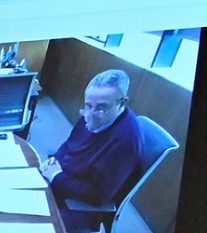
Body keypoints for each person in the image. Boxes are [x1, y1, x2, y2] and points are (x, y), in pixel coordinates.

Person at [43, 70, 143, 216]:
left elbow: (99, 196)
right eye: (88, 105)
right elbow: (69, 144)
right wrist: (55, 160)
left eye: (101, 107)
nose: (90, 114)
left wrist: (56, 177)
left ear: (122, 103)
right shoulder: (92, 114)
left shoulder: (126, 141)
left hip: (78, 205)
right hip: (63, 180)